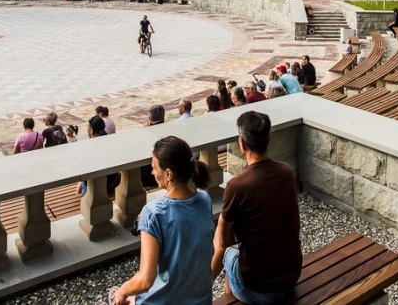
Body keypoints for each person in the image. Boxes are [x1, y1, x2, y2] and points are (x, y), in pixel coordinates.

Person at [111, 136, 214, 305]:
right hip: (201, 300)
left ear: (168, 174)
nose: (152, 173)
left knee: (121, 297)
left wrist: (122, 290)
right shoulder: (205, 200)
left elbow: (145, 280)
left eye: (154, 168)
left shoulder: (153, 213)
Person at [212, 111, 302, 303]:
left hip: (258, 290)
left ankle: (230, 299)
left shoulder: (236, 186)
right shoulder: (285, 171)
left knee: (227, 252)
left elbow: (223, 241)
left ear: (241, 144)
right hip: (291, 279)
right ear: (270, 137)